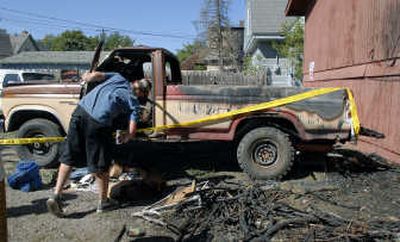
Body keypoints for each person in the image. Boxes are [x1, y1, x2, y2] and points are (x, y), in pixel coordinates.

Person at [46, 71, 140, 217]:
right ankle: (104, 203)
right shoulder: (133, 100)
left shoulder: (118, 77)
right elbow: (132, 130)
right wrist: (126, 137)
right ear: (142, 93)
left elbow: (95, 76)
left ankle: (56, 195)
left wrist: (86, 77)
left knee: (69, 155)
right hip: (98, 122)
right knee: (101, 163)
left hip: (80, 111)